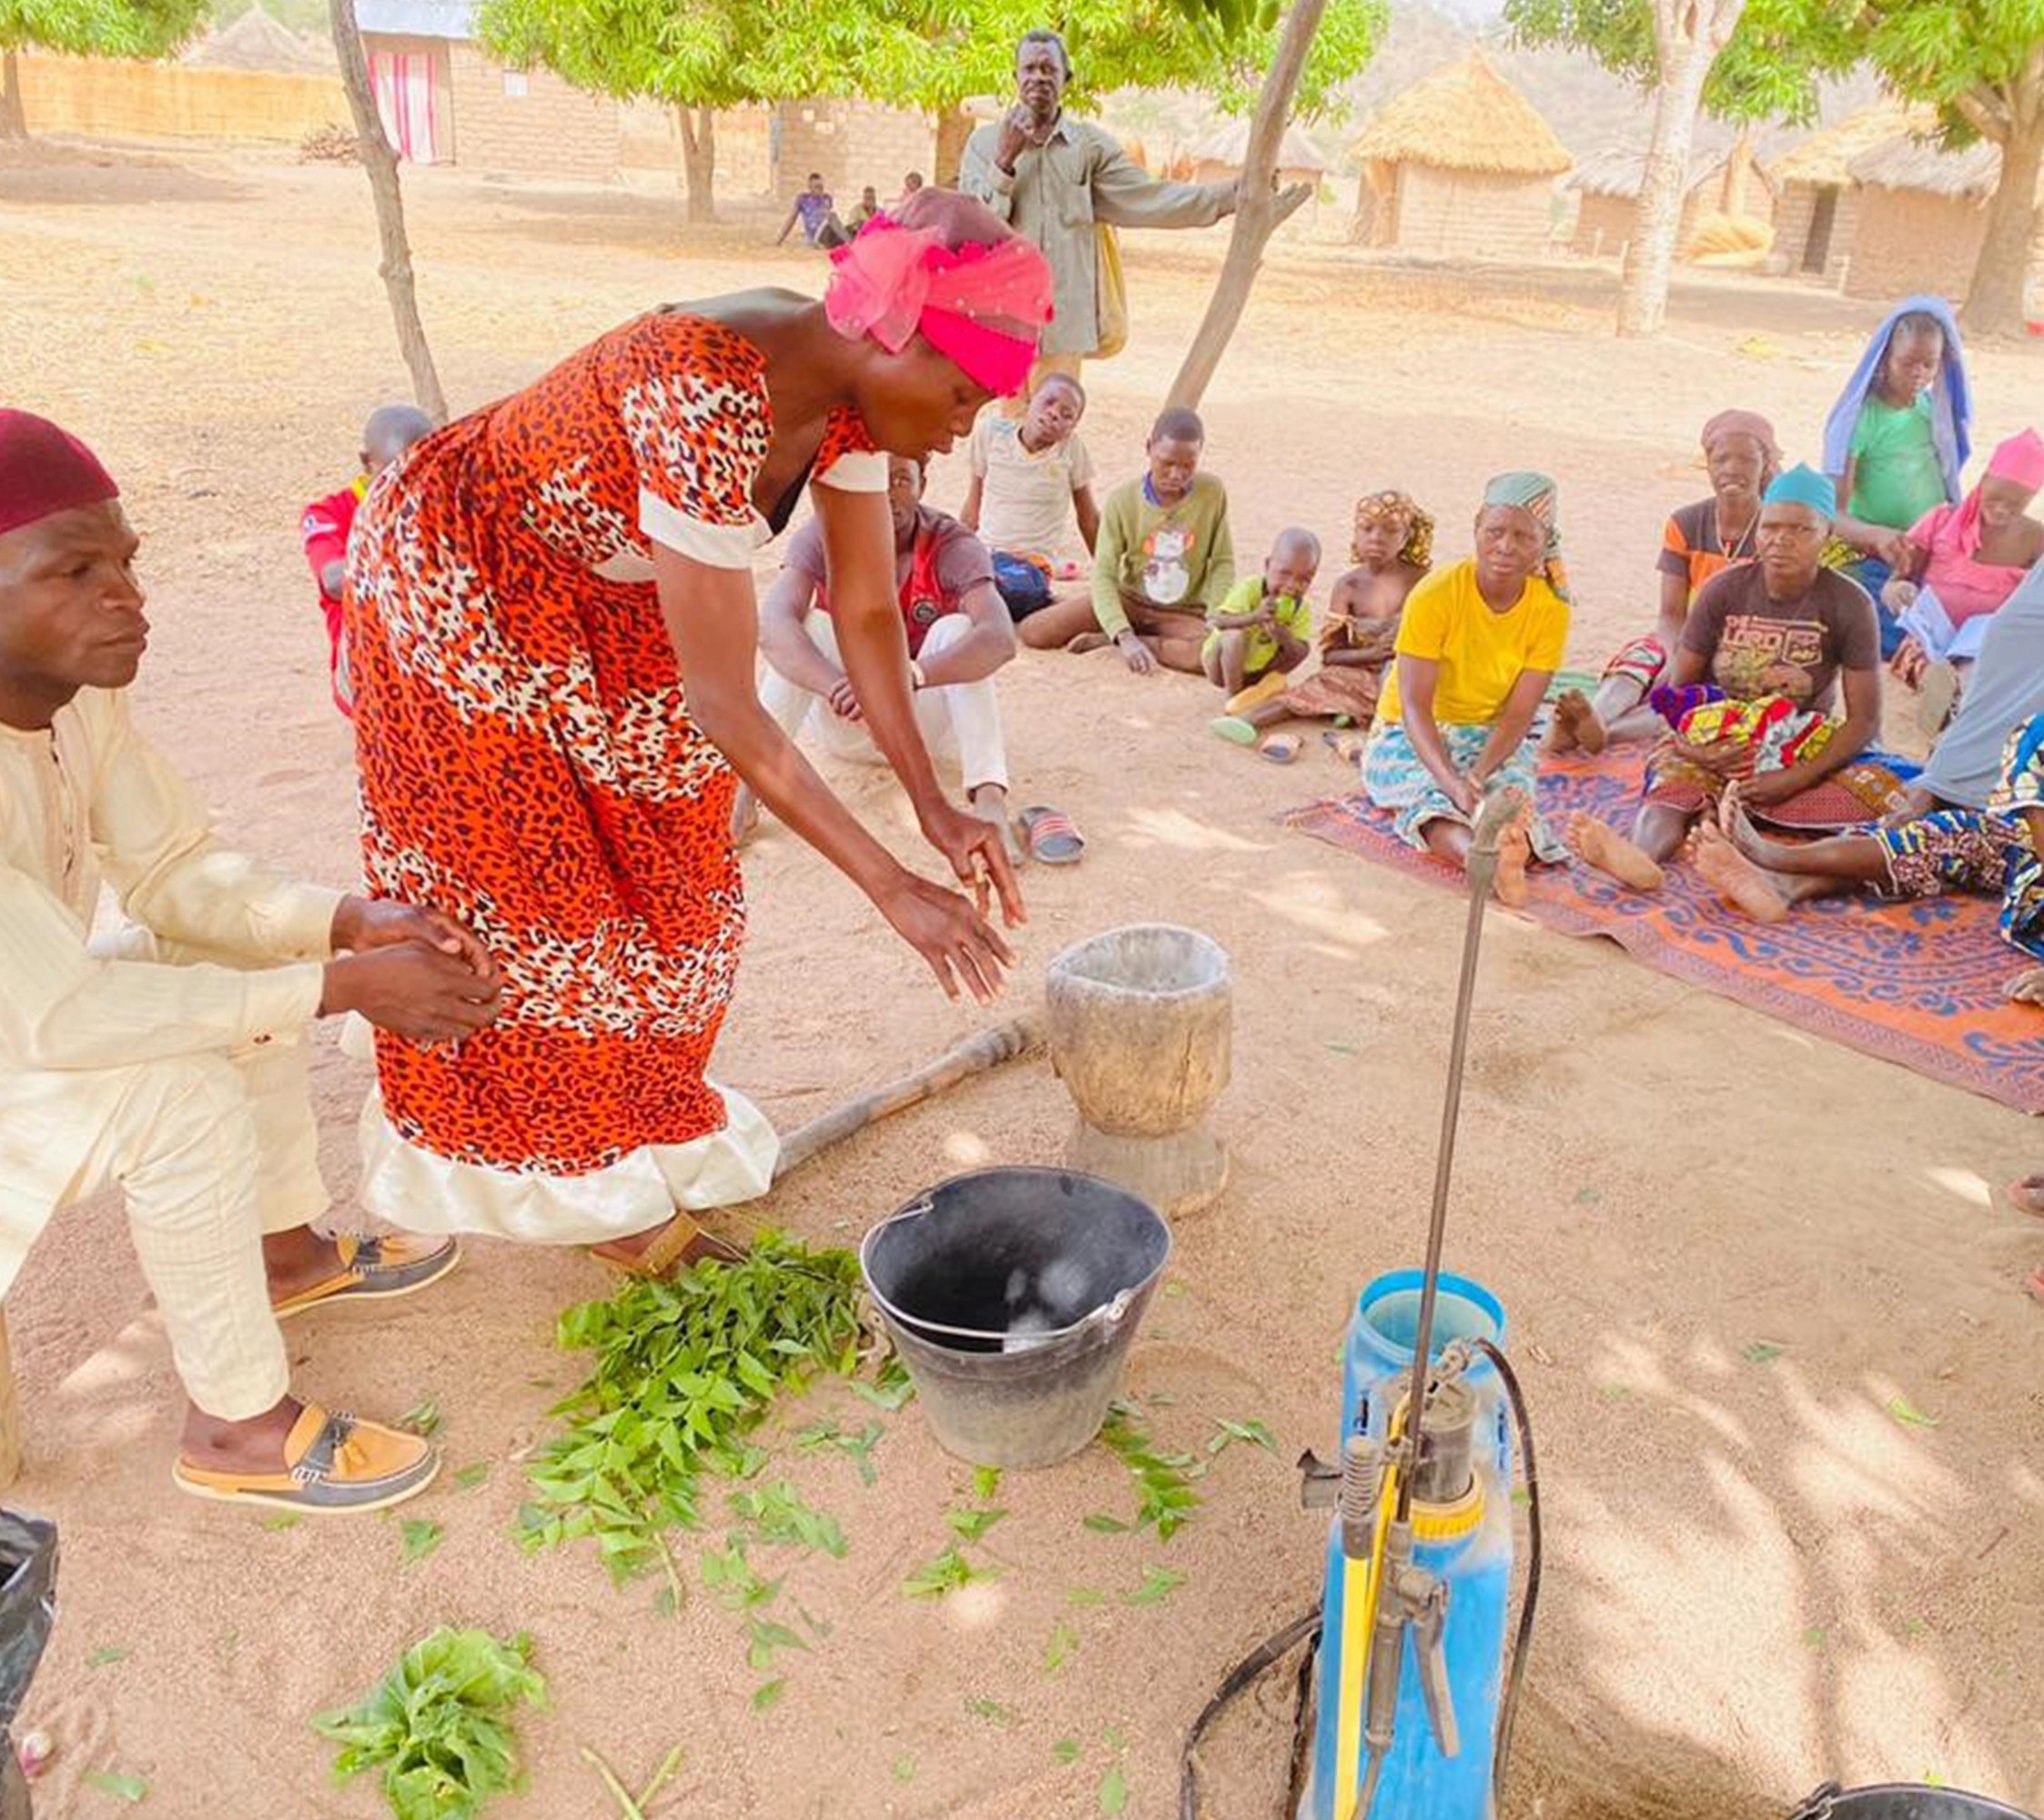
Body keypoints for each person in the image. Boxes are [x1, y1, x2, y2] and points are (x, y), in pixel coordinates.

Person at [343, 188, 1048, 1268]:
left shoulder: (846, 394)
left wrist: (933, 807)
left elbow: (867, 612)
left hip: (612, 598)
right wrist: (890, 884)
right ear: (892, 334)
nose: (964, 425)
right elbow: (725, 704)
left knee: (681, 891)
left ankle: (632, 1144)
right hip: (466, 579)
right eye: (960, 393)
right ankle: (598, 1205)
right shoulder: (705, 384)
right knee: (547, 904)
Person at [0, 410, 501, 1513]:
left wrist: (346, 922)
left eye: (126, 562)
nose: (127, 598)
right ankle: (235, 1425)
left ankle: (283, 1258)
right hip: (27, 1032)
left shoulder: (79, 696)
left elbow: (172, 868)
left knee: (225, 949)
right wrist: (339, 987)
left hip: (26, 1018)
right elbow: (64, 1018)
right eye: (73, 571)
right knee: (176, 1093)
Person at [1592, 467, 1907, 880]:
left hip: (1796, 745)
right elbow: (1676, 696)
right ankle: (1641, 858)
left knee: (1893, 790)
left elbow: (1864, 720)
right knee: (1670, 796)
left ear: (1827, 534)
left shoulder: (1849, 603)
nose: (1781, 540)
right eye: (1771, 527)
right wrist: (1696, 750)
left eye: (1800, 529)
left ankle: (1742, 830)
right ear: (1757, 531)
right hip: (1714, 737)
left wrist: (1794, 777)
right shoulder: (1723, 590)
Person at [737, 454, 1017, 852]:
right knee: (811, 625)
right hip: (846, 716)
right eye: (878, 480)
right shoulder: (824, 533)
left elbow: (999, 638)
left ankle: (989, 799)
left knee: (958, 630)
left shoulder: (950, 542)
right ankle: (748, 787)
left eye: (901, 480)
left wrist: (909, 676)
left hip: (916, 725)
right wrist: (838, 686)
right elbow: (773, 625)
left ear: (923, 484)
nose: (888, 493)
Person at [961, 29, 1265, 396]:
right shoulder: (983, 145)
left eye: (1049, 69)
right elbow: (977, 229)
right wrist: (1005, 159)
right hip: (1003, 321)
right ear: (1015, 77)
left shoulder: (1088, 147)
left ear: (1066, 79)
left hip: (1063, 325)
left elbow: (1150, 198)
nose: (1038, 77)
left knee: (1053, 423)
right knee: (1005, 426)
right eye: (1029, 69)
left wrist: (1228, 197)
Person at [1361, 473, 1573, 904]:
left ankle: (1508, 850)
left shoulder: (1550, 608)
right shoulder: (1436, 594)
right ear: (1476, 528)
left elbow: (1521, 713)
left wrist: (1477, 774)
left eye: (1523, 536)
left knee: (1511, 799)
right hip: (1408, 731)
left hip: (1489, 734)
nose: (1506, 546)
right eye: (1495, 531)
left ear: (1543, 543)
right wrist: (1451, 780)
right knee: (1431, 799)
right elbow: (1414, 705)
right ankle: (1481, 861)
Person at [1696, 719, 2044, 958]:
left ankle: (1775, 861)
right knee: (1953, 832)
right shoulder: (2036, 734)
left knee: (1955, 833)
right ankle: (1783, 881)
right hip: (2029, 851)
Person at [1549, 410, 1777, 754]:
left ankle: (1604, 733)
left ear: (1767, 465)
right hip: (1684, 639)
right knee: (1645, 654)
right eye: (1721, 459)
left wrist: (1690, 663)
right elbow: (1671, 615)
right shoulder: (1685, 522)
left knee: (1707, 700)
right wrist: (1674, 655)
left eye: (1746, 459)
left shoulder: (1774, 531)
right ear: (1708, 465)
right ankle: (1595, 715)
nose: (1732, 468)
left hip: (1741, 653)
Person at [1212, 490, 1432, 755]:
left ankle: (1369, 725)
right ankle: (1247, 722)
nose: (1376, 537)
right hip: (1356, 674)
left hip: (1407, 673)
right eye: (1367, 528)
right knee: (1310, 690)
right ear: (1355, 534)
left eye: (1390, 530)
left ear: (1406, 537)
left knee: (1404, 685)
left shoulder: (1425, 582)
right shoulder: (1347, 586)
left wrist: (1402, 646)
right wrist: (1373, 653)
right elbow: (1331, 656)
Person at [1019, 406, 1234, 674]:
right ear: (1149, 448)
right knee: (1034, 632)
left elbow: (1222, 561)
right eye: (1167, 463)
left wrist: (1215, 618)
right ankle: (1121, 634)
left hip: (1183, 612)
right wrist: (1122, 631)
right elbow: (1104, 573)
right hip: (1130, 601)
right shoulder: (1122, 500)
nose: (1176, 474)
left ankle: (1137, 643)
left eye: (1188, 465)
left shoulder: (1212, 492)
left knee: (1213, 654)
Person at [1823, 296, 1972, 657]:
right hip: (1875, 555)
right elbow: (1832, 515)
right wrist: (1877, 536)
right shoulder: (1863, 419)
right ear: (1885, 358)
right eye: (1907, 363)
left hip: (1928, 552)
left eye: (1929, 364)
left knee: (1969, 610)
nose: (1918, 373)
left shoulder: (1932, 411)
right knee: (1884, 622)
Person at [1884, 428, 2044, 729]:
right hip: (1931, 641)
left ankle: (1955, 703)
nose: (2001, 509)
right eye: (1995, 498)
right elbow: (1897, 580)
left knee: (1979, 670)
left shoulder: (2036, 539)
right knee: (1930, 666)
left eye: (2015, 505)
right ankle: (1944, 695)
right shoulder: (1941, 521)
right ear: (1983, 482)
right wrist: (1898, 590)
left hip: (1988, 647)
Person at [300, 404, 434, 717]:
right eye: (396, 472)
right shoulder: (329, 514)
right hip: (368, 671)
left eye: (424, 469)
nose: (409, 483)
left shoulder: (439, 503)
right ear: (366, 462)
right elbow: (334, 581)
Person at [959, 371, 1098, 621]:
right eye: (1048, 402)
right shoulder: (991, 434)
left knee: (1013, 593)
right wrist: (957, 551)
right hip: (988, 554)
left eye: (1067, 415)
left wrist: (1106, 570)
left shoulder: (1071, 450)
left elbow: (1088, 517)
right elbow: (973, 505)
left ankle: (1039, 603)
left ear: (1073, 427)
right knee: (965, 586)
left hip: (1033, 564)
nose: (1054, 414)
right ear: (1031, 400)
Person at [1201, 526, 1317, 699]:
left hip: (1258, 671)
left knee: (1299, 649)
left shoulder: (1300, 607)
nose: (1292, 586)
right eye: (1285, 574)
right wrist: (1254, 617)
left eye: (1304, 580)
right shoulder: (1250, 589)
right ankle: (1234, 697)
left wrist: (1284, 637)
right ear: (1268, 565)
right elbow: (1217, 621)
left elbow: (1301, 652)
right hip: (1221, 668)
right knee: (1233, 637)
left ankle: (1263, 684)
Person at [775, 173, 848, 249]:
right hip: (813, 238)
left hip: (826, 235)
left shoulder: (827, 198)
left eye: (821, 187)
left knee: (834, 218)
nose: (820, 189)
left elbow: (830, 222)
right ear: (810, 187)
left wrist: (825, 208)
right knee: (832, 216)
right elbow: (791, 219)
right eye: (817, 187)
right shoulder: (803, 199)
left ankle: (845, 241)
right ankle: (849, 242)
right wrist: (779, 240)